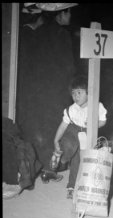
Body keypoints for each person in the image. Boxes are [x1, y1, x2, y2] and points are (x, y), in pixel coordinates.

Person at [16, 4, 77, 182]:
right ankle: (50, 169)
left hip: (38, 89)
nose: (70, 15)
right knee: (54, 129)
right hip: (56, 90)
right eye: (68, 11)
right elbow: (69, 67)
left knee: (40, 127)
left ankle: (38, 166)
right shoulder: (62, 34)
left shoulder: (38, 32)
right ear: (60, 14)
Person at [46, 75, 107, 199]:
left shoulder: (97, 106)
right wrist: (56, 140)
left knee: (78, 161)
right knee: (69, 143)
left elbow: (103, 120)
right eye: (73, 93)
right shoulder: (71, 110)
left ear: (88, 93)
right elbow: (63, 126)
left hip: (87, 132)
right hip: (73, 131)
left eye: (79, 92)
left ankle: (71, 186)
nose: (76, 96)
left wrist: (94, 124)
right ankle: (59, 155)